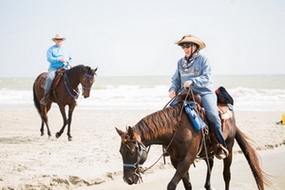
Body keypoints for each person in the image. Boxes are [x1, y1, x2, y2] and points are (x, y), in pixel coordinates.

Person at [168, 34, 229, 159]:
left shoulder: (203, 60)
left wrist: (193, 82)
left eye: (187, 46)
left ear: (195, 47)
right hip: (185, 94)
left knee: (212, 115)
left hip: (204, 92)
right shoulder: (180, 63)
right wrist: (173, 89)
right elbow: (175, 79)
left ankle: (220, 145)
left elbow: (207, 77)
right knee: (168, 114)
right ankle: (170, 146)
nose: (185, 49)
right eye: (183, 47)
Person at [40, 34, 72, 105]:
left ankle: (75, 95)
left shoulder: (66, 50)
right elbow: (49, 59)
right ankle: (46, 95)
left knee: (74, 77)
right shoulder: (51, 49)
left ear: (62, 41)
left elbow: (70, 58)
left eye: (60, 39)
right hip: (54, 68)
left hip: (65, 67)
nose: (59, 41)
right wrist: (59, 60)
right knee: (50, 78)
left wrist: (69, 62)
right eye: (57, 39)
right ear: (55, 40)